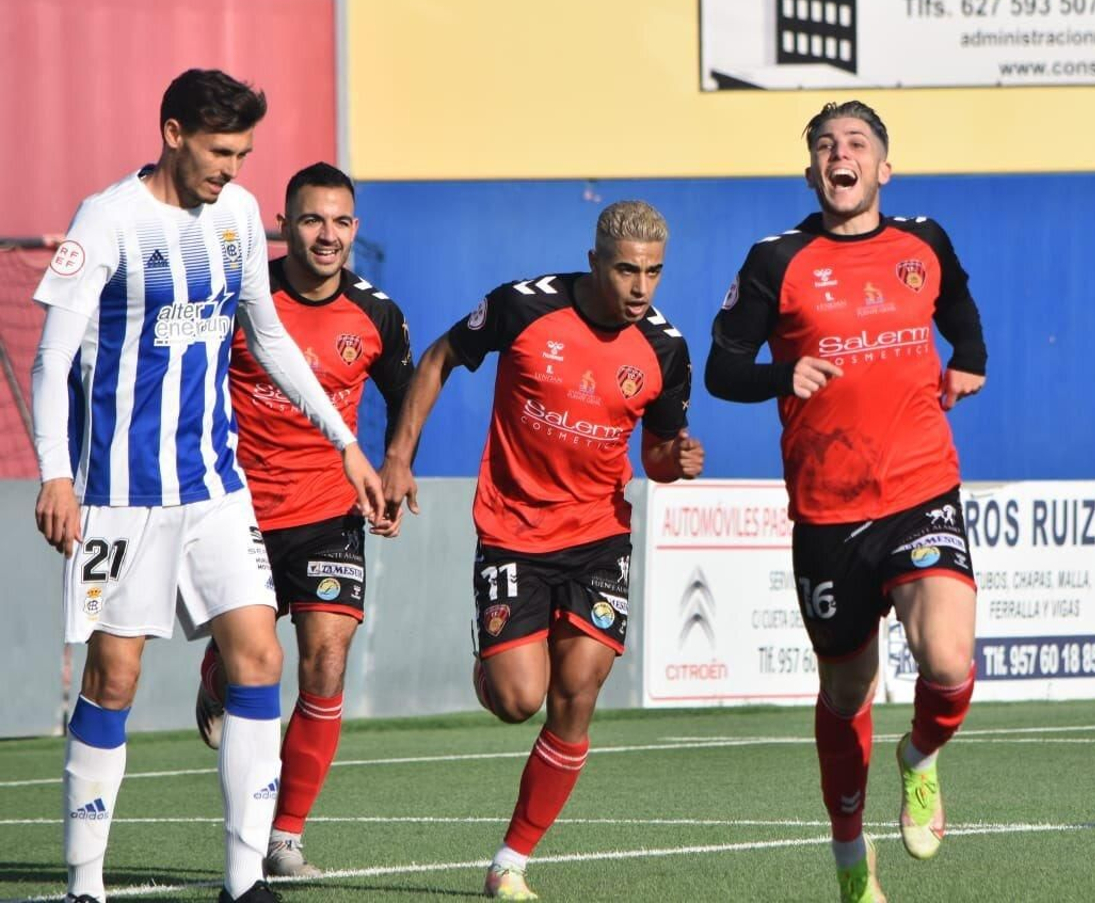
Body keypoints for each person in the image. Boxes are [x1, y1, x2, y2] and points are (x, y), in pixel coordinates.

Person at [30, 69, 385, 903]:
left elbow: (268, 333)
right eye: (221, 150)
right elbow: (51, 359)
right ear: (173, 131)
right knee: (113, 676)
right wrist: (55, 471)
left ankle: (243, 879)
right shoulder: (108, 218)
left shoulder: (232, 215)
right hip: (119, 493)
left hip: (217, 488)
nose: (233, 168)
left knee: (260, 656)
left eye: (244, 152)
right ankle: (85, 883)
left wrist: (346, 444)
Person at [380, 200, 703, 901]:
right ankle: (494, 667)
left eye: (653, 272)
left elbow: (656, 451)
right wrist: (399, 457)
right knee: (518, 698)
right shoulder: (523, 308)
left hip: (598, 536)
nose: (640, 287)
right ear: (594, 262)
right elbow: (437, 358)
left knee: (577, 689)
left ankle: (510, 861)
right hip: (513, 531)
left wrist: (676, 459)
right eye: (626, 270)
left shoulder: (668, 349)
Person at [706, 100, 987, 903]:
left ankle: (922, 756)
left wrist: (970, 355)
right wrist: (777, 375)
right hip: (828, 510)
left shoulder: (923, 242)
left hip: (921, 485)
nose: (842, 154)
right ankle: (849, 859)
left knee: (947, 659)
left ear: (883, 168)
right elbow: (724, 367)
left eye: (857, 143)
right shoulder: (777, 259)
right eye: (826, 145)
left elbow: (959, 305)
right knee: (845, 689)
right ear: (811, 172)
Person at [191, 162, 414, 877]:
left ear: (356, 228)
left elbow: (409, 395)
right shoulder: (241, 300)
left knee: (325, 658)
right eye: (313, 220)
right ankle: (219, 665)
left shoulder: (377, 314)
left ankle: (284, 836)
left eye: (341, 221)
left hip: (328, 513)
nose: (328, 235)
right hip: (239, 509)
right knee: (259, 658)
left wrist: (394, 466)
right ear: (284, 225)